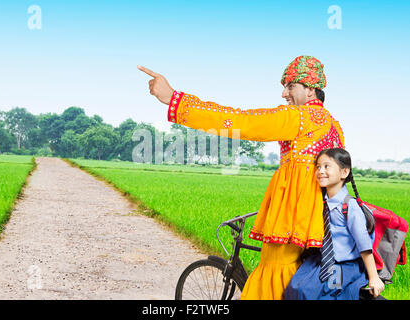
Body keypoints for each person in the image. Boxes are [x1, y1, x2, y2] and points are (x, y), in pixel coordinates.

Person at [138, 55, 345, 299]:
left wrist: (175, 99)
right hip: (317, 223)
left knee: (274, 274)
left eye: (290, 86)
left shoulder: (300, 118)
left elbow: (240, 121)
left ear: (311, 90)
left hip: (291, 220)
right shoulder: (332, 125)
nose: (284, 94)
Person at [284, 148, 384, 299]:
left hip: (342, 265)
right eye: (318, 167)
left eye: (326, 166)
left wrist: (374, 277)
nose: (320, 171)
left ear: (344, 172)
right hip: (321, 261)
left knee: (330, 293)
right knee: (296, 289)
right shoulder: (320, 202)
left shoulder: (350, 207)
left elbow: (364, 245)